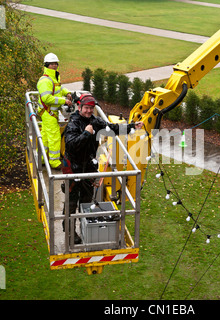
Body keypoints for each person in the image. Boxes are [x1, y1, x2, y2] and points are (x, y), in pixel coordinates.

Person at [62, 93, 143, 243]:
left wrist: (132, 127)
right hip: (73, 168)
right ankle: (69, 233)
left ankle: (86, 229)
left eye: (91, 109)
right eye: (86, 108)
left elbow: (112, 128)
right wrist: (86, 133)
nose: (88, 111)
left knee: (86, 201)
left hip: (88, 167)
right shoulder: (74, 123)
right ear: (79, 107)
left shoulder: (95, 121)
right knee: (71, 202)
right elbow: (71, 146)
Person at [37, 53, 72, 170]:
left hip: (49, 113)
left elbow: (59, 88)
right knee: (54, 136)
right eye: (52, 64)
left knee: (46, 136)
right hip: (48, 113)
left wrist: (67, 93)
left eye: (56, 63)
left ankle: (41, 158)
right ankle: (54, 162)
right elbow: (46, 98)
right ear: (46, 65)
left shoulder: (54, 78)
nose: (54, 66)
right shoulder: (44, 80)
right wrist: (64, 101)